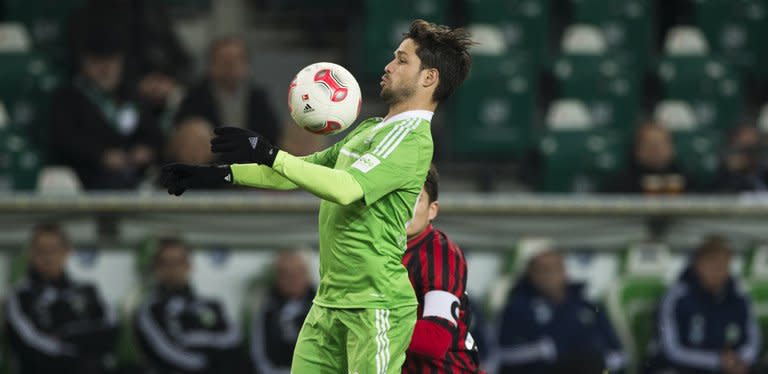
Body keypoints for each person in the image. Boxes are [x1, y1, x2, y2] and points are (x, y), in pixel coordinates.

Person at [159, 19, 474, 373]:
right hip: (329, 302)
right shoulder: (373, 129)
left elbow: (344, 188)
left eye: (402, 60)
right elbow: (298, 171)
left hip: (376, 306)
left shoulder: (413, 140)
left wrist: (269, 153)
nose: (388, 66)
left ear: (428, 78)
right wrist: (219, 173)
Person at [49, 25, 163, 190]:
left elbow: (153, 133)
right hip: (88, 177)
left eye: (111, 60)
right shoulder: (68, 97)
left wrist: (146, 149)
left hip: (136, 174)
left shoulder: (130, 94)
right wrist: (101, 156)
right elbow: (64, 141)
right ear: (84, 63)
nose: (105, 68)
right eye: (98, 61)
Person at [495, 241, 627, 374]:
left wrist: (605, 360)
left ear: (565, 272)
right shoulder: (517, 308)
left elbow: (618, 352)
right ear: (531, 275)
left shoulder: (588, 306)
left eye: (556, 268)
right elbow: (501, 354)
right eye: (544, 270)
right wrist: (541, 350)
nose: (550, 275)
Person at [3, 223, 118, 374]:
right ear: (31, 253)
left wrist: (65, 334)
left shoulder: (89, 290)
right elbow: (29, 345)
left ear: (67, 251)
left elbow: (111, 330)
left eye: (53, 249)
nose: (47, 256)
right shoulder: (20, 296)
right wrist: (79, 354)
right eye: (40, 250)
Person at [402, 165, 484, 372]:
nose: (404, 207)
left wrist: (371, 325)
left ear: (432, 210)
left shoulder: (439, 253)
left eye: (416, 198)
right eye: (398, 196)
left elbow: (435, 339)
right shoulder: (376, 249)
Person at [646, 236, 761, 374]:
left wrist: (738, 361)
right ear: (697, 264)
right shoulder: (676, 298)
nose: (717, 270)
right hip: (683, 368)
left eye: (723, 264)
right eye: (711, 263)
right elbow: (670, 349)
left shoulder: (739, 298)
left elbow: (753, 342)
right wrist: (717, 361)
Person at [133, 237, 248, 374]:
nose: (174, 269)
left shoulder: (213, 305)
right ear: (157, 268)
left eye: (179, 262)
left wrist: (190, 340)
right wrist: (208, 361)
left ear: (189, 265)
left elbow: (233, 340)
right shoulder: (149, 310)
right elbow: (165, 352)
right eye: (166, 263)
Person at [69, 0, 192, 109]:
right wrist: (137, 86)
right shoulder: (87, 18)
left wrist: (169, 83)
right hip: (117, 100)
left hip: (164, 95)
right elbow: (89, 73)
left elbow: (182, 60)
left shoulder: (152, 10)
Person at [174, 37, 281, 146]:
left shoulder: (259, 98)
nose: (230, 66)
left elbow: (272, 136)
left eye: (236, 60)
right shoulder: (194, 97)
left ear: (247, 66)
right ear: (211, 65)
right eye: (224, 60)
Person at [249, 250, 315, 374]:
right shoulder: (267, 308)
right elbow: (258, 352)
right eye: (286, 274)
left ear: (306, 275)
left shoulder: (320, 307)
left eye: (297, 273)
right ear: (278, 277)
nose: (292, 279)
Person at [606, 121, 690, 194]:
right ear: (637, 150)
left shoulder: (686, 182)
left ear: (672, 148)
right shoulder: (622, 185)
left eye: (660, 144)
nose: (656, 150)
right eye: (650, 145)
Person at [716, 125, 768, 193]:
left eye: (752, 133)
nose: (749, 137)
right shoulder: (729, 150)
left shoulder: (759, 149)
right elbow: (730, 164)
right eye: (747, 133)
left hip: (756, 185)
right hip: (733, 187)